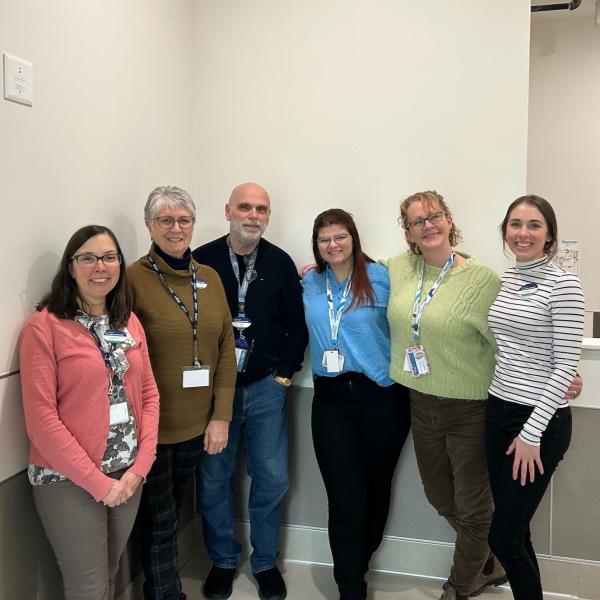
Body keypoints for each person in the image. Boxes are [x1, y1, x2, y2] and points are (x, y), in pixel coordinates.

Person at [19, 224, 160, 600]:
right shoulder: (43, 328)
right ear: (70, 267)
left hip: (126, 474)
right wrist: (100, 485)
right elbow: (41, 420)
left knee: (109, 575)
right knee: (88, 586)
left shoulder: (127, 320)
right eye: (88, 258)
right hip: (69, 479)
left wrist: (140, 468)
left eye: (110, 257)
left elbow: (148, 394)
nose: (101, 266)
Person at [386, 191, 506, 600]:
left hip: (470, 407)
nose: (428, 225)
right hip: (420, 402)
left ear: (449, 219)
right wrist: (319, 267)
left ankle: (461, 585)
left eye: (434, 216)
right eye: (417, 221)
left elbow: (507, 340)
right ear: (408, 233)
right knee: (439, 496)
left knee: (473, 508)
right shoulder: (401, 268)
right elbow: (357, 267)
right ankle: (490, 560)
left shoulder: (482, 279)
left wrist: (561, 371)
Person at [193, 182, 308, 600]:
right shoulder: (200, 261)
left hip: (264, 388)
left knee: (272, 478)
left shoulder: (279, 262)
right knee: (213, 480)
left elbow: (298, 325)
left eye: (261, 209)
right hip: (212, 395)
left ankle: (264, 562)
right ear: (227, 210)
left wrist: (283, 375)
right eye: (245, 207)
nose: (253, 215)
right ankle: (223, 560)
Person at [128, 186, 236, 600]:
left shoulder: (207, 276)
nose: (176, 228)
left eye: (184, 220)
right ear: (149, 226)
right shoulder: (132, 279)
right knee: (159, 522)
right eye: (166, 220)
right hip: (152, 429)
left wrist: (220, 414)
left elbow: (226, 346)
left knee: (172, 515)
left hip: (198, 425)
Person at [302, 209, 411, 600]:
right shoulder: (310, 281)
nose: (332, 245)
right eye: (324, 239)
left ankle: (359, 561)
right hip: (331, 402)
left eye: (339, 237)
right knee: (344, 498)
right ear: (316, 245)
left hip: (383, 398)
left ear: (354, 238)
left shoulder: (384, 277)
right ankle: (351, 586)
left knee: (377, 489)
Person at [486, 195, 584, 600]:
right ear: (505, 231)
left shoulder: (565, 284)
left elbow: (565, 366)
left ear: (549, 234)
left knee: (503, 538)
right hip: (496, 412)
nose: (523, 233)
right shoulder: (505, 279)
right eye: (515, 224)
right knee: (516, 529)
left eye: (534, 225)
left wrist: (531, 434)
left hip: (538, 424)